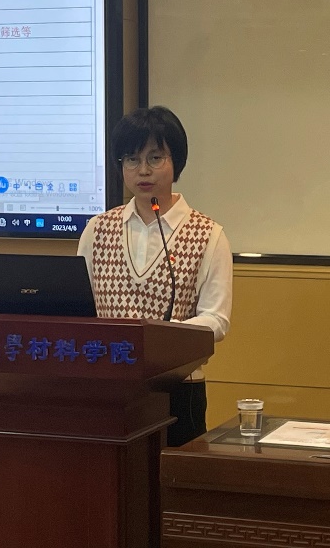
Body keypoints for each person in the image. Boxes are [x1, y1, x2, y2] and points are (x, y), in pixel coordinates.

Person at [77, 105, 232, 446]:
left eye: (155, 157)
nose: (143, 170)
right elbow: (79, 306)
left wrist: (161, 336)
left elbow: (217, 320)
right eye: (131, 159)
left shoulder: (209, 234)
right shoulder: (97, 229)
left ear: (177, 161)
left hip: (177, 391)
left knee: (169, 479)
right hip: (106, 387)